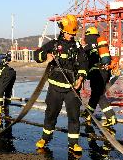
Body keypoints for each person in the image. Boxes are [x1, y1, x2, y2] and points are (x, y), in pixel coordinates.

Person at [34, 14, 88, 152]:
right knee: (50, 114)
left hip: (72, 89)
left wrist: (81, 78)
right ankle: (45, 138)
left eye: (73, 33)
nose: (71, 35)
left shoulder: (77, 47)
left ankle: (73, 143)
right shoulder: (53, 44)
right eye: (69, 33)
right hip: (55, 89)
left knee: (74, 117)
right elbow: (37, 55)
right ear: (63, 31)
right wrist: (45, 56)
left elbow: (83, 63)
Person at [81, 27, 117, 127]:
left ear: (88, 36)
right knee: (95, 94)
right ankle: (88, 113)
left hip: (96, 73)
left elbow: (83, 62)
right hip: (105, 72)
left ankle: (111, 117)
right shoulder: (101, 45)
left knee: (99, 95)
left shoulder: (87, 48)